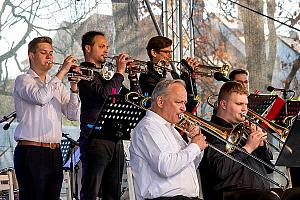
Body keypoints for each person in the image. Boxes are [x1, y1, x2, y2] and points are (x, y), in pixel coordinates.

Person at [13, 36, 81, 200]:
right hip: (31, 151)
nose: (50, 57)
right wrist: (62, 72)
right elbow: (41, 98)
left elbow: (74, 115)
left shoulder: (56, 84)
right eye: (44, 53)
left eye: (51, 53)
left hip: (54, 153)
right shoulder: (23, 80)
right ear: (31, 55)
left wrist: (73, 88)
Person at [78, 30, 139, 200]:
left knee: (113, 193)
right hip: (94, 139)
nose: (106, 50)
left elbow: (135, 100)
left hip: (115, 138)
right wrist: (120, 72)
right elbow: (107, 94)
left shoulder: (108, 75)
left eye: (107, 46)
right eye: (101, 46)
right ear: (88, 48)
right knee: (91, 191)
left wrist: (133, 77)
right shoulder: (84, 72)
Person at [199, 81, 280, 200]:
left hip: (260, 193)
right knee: (270, 198)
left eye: (246, 104)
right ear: (223, 104)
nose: (244, 109)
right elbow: (220, 170)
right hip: (230, 195)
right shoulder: (211, 131)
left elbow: (269, 169)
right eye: (239, 104)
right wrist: (248, 148)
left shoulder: (244, 130)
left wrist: (261, 145)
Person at [129, 79, 208, 200]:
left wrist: (194, 141)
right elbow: (166, 167)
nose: (183, 108)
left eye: (184, 103)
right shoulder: (148, 127)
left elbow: (191, 165)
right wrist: (195, 147)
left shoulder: (170, 128)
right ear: (160, 101)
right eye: (178, 102)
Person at [139, 36, 198, 112]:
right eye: (166, 52)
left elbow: (189, 97)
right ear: (154, 53)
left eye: (170, 52)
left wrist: (190, 77)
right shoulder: (147, 74)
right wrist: (185, 75)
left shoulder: (173, 74)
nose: (170, 56)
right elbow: (163, 93)